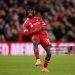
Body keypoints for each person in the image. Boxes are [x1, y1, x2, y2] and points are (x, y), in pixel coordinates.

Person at [23, 7, 51, 72]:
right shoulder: (26, 23)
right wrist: (34, 31)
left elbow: (45, 26)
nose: (30, 12)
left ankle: (44, 68)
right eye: (28, 11)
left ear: (33, 12)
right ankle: (38, 60)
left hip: (43, 35)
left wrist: (42, 27)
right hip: (35, 35)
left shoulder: (39, 18)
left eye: (31, 11)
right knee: (35, 42)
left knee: (49, 52)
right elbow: (26, 34)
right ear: (26, 13)